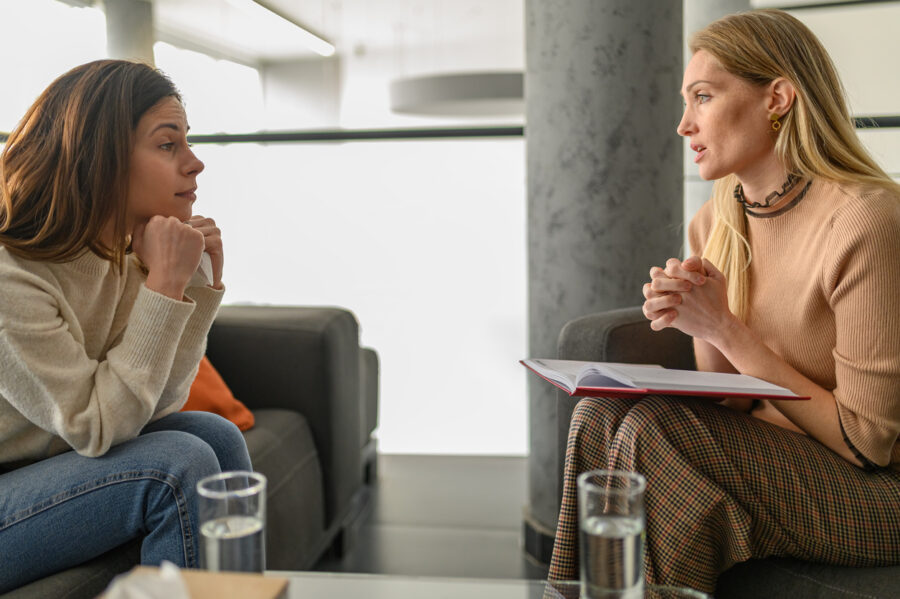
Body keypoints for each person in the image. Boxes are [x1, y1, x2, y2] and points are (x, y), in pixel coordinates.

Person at [549, 9, 900, 593]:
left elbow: (867, 442)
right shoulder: (716, 220)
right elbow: (733, 406)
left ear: (778, 98)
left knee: (657, 434)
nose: (683, 125)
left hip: (876, 491)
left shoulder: (864, 221)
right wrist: (701, 320)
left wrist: (729, 328)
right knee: (598, 415)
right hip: (774, 460)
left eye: (703, 97)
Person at [0, 60, 252, 592]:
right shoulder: (11, 275)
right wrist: (164, 286)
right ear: (101, 157)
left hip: (50, 465)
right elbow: (96, 426)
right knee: (175, 465)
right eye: (168, 145)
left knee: (214, 435)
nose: (195, 163)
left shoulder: (119, 250)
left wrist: (196, 288)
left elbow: (154, 404)